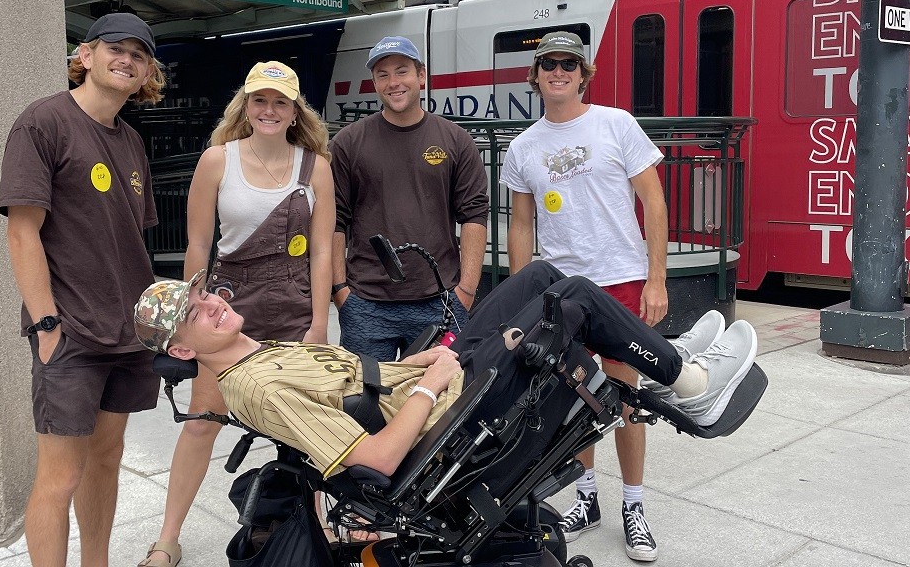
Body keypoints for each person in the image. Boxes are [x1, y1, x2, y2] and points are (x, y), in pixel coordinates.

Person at [133, 263, 757, 487]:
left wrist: (421, 363)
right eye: (194, 316)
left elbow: (363, 383)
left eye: (203, 295)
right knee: (573, 303)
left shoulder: (256, 349)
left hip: (430, 382)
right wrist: (432, 383)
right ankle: (691, 387)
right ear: (184, 352)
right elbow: (375, 458)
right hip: (445, 416)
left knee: (539, 277)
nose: (211, 305)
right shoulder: (258, 385)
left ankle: (664, 356)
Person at [140, 61, 335, 567]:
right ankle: (167, 538)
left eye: (280, 102)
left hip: (295, 308)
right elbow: (199, 245)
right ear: (245, 106)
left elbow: (320, 252)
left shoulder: (315, 166)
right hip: (227, 306)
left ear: (295, 111)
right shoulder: (217, 160)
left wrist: (318, 324)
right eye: (259, 100)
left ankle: (316, 534)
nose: (269, 110)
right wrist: (191, 313)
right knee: (204, 421)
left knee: (307, 431)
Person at [0, 12, 165, 567]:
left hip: (127, 333)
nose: (127, 60)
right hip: (69, 332)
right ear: (85, 57)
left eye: (139, 55)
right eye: (114, 48)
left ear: (147, 74)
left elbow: (126, 244)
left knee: (107, 458)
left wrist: (160, 326)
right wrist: (46, 325)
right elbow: (22, 232)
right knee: (60, 475)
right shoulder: (42, 123)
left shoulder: (132, 142)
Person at [501, 30, 671, 560]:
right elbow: (522, 226)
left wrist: (657, 278)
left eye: (568, 64)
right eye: (548, 64)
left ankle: (635, 506)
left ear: (582, 73)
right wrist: (521, 296)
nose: (558, 72)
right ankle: (588, 498)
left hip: (619, 279)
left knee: (626, 397)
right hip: (560, 288)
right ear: (535, 75)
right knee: (576, 399)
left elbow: (655, 202)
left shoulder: (616, 124)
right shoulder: (523, 146)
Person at [330, 36, 488, 359]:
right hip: (366, 305)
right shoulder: (347, 143)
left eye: (401, 71)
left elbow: (473, 216)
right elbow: (335, 221)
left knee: (442, 405)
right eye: (382, 75)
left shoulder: (455, 140)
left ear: (421, 76)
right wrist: (340, 292)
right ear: (374, 83)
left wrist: (466, 291)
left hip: (440, 301)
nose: (393, 83)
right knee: (366, 406)